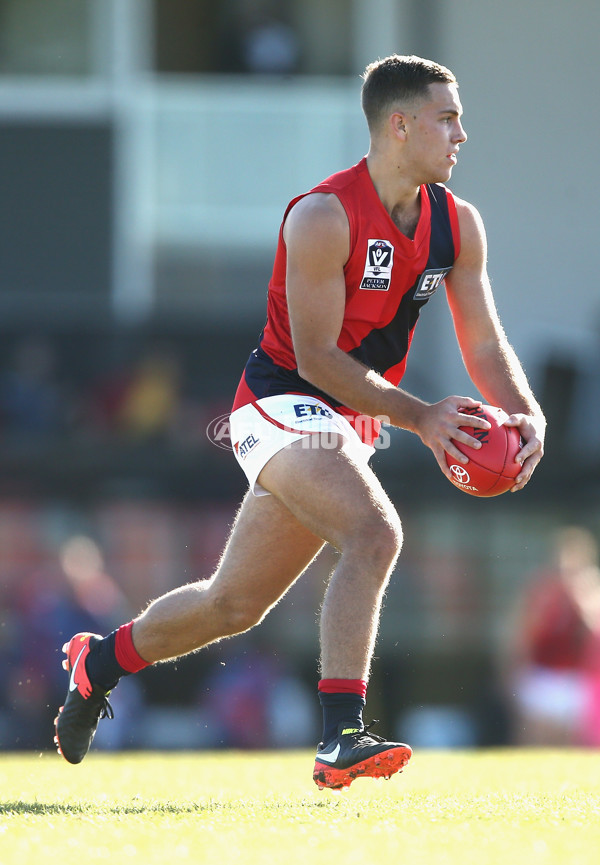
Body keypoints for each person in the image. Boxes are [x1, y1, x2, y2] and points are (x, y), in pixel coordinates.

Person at [54, 54, 545, 789]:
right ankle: (340, 734)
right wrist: (423, 417)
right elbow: (315, 358)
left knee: (232, 604)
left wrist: (524, 410)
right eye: (448, 119)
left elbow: (483, 341)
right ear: (399, 125)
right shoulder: (322, 215)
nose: (461, 135)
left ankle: (100, 662)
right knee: (374, 531)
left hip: (353, 421)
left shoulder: (457, 225)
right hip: (281, 404)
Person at [502, 526, 600, 746]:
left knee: (570, 739)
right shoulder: (540, 589)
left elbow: (593, 635)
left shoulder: (590, 588)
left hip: (575, 677)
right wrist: (513, 672)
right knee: (535, 734)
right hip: (542, 673)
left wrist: (580, 601)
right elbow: (521, 635)